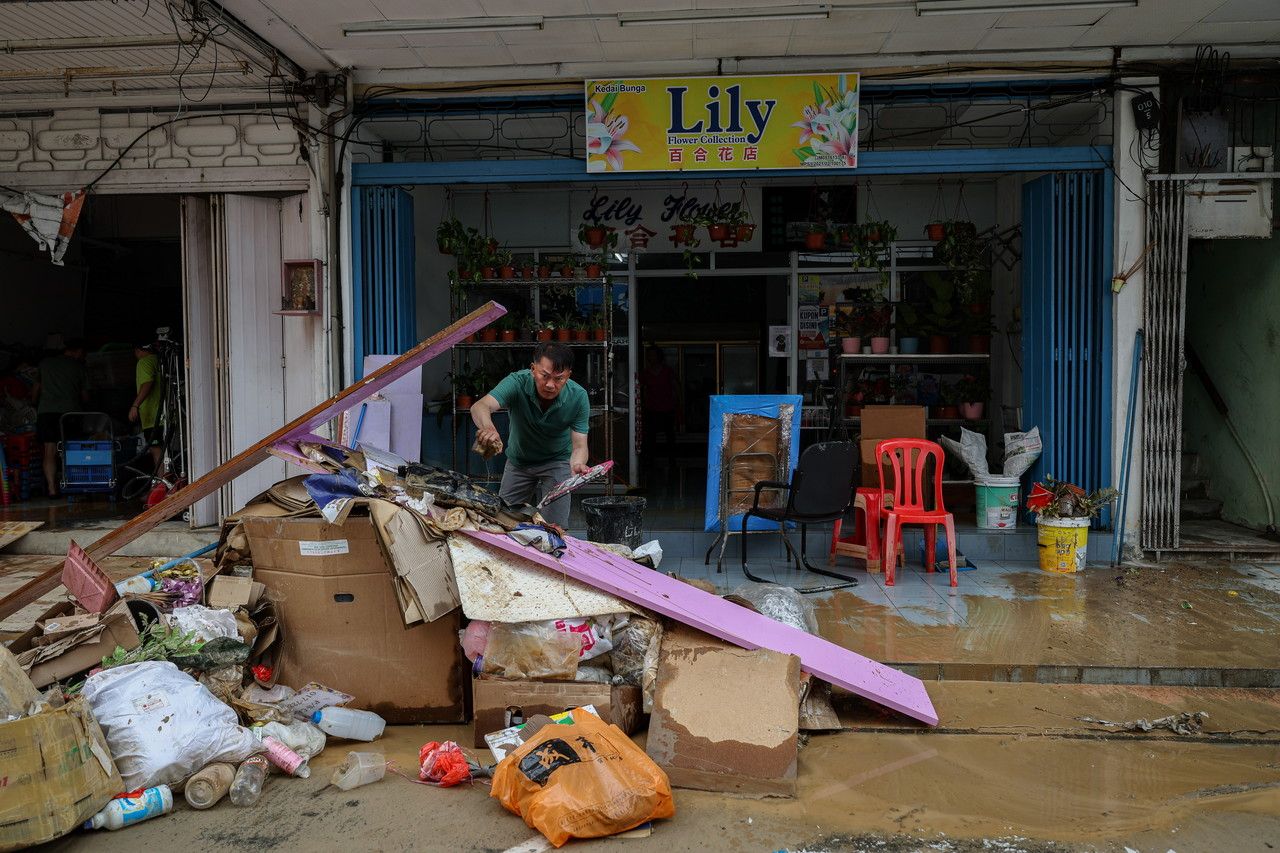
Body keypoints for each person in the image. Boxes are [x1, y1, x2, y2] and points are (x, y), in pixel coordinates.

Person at [470, 342, 590, 529]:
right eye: (545, 376)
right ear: (533, 369)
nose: (550, 385)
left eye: (559, 379)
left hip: (557, 461)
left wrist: (577, 464)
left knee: (554, 529)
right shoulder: (517, 382)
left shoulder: (578, 396)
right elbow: (480, 406)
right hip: (519, 461)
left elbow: (580, 446)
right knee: (502, 521)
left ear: (568, 376)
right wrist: (488, 428)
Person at [33, 339, 88, 497]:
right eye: (82, 353)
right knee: (72, 450)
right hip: (71, 413)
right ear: (76, 351)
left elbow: (36, 389)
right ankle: (73, 485)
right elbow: (85, 396)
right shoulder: (78, 366)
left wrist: (34, 403)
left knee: (49, 451)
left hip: (47, 412)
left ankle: (52, 489)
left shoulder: (44, 364)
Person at [129, 338, 165, 481]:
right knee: (163, 452)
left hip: (153, 417)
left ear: (138, 351)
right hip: (166, 415)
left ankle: (161, 487)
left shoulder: (144, 363)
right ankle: (162, 485)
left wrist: (135, 405)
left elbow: (147, 383)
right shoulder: (160, 361)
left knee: (156, 452)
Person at [640, 345, 677, 471]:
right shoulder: (646, 373)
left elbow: (674, 388)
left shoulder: (667, 371)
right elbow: (642, 391)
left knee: (670, 438)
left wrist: (676, 405)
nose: (651, 357)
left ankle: (672, 462)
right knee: (650, 438)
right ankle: (650, 463)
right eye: (649, 355)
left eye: (654, 354)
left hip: (667, 408)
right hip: (651, 409)